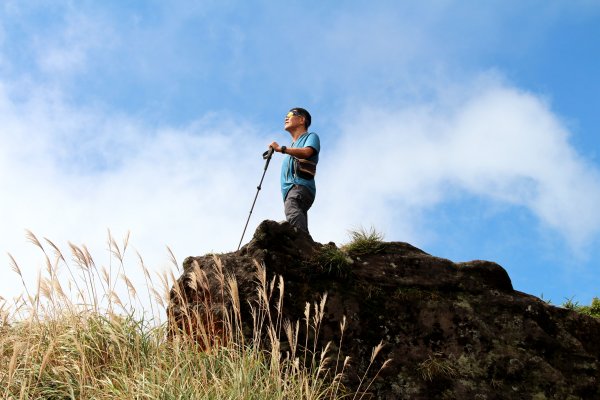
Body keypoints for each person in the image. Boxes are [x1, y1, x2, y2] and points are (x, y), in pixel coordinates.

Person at [269, 107, 320, 234]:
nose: (286, 117)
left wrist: (282, 149)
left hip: (300, 186)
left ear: (302, 120)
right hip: (291, 189)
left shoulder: (311, 136)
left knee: (292, 209)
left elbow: (307, 152)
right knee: (297, 215)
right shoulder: (292, 146)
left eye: (291, 114)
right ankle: (308, 247)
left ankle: (300, 242)